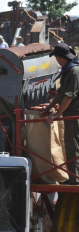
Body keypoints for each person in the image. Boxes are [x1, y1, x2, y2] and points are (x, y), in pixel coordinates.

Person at [43, 43, 79, 184]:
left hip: (74, 113)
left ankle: (74, 179)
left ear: (59, 57)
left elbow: (69, 96)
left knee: (73, 145)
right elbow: (61, 92)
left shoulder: (74, 71)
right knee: (71, 144)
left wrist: (57, 114)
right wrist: (50, 106)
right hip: (70, 112)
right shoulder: (67, 69)